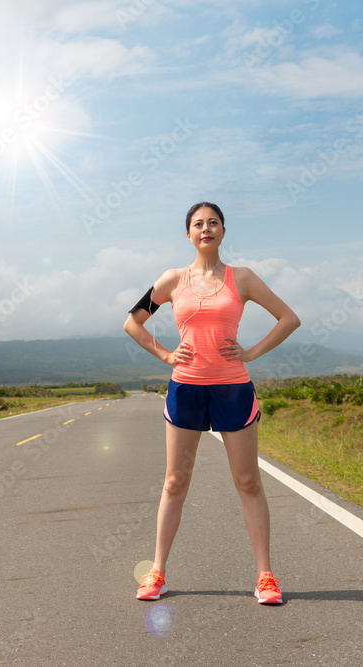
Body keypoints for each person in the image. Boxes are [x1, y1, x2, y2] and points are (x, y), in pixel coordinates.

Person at [123, 201, 300, 605]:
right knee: (174, 481)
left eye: (213, 223)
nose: (206, 229)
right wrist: (166, 355)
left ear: (223, 231)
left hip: (233, 390)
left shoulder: (244, 279)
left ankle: (265, 577)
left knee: (248, 482)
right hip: (186, 388)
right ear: (188, 234)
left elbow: (289, 318)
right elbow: (132, 322)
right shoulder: (172, 280)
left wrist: (251, 353)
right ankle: (157, 573)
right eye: (198, 224)